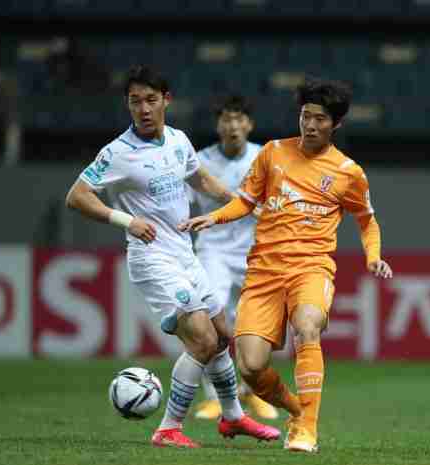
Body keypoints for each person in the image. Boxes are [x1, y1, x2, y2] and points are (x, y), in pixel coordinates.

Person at [65, 65, 280, 449]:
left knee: (222, 338)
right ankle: (168, 428)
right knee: (201, 339)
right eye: (135, 102)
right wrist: (125, 220)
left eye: (150, 100)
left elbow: (202, 181)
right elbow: (77, 196)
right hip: (153, 260)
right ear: (127, 105)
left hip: (186, 255)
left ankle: (232, 418)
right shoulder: (117, 153)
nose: (143, 109)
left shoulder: (179, 141)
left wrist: (245, 204)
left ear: (166, 100)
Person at [180, 78, 393, 453]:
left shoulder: (348, 172)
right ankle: (297, 410)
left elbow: (367, 221)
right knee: (250, 366)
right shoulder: (272, 153)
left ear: (336, 124)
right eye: (305, 116)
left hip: (311, 268)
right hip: (263, 272)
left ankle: (307, 428)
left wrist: (372, 256)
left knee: (307, 327)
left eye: (320, 119)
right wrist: (215, 218)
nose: (310, 125)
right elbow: (245, 201)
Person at [189, 95, 278, 421]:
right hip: (213, 250)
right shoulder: (200, 161)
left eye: (239, 119)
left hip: (257, 252)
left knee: (259, 326)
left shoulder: (265, 158)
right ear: (218, 125)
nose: (233, 126)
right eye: (226, 119)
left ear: (249, 124)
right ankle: (215, 397)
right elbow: (182, 205)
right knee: (212, 321)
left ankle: (256, 393)